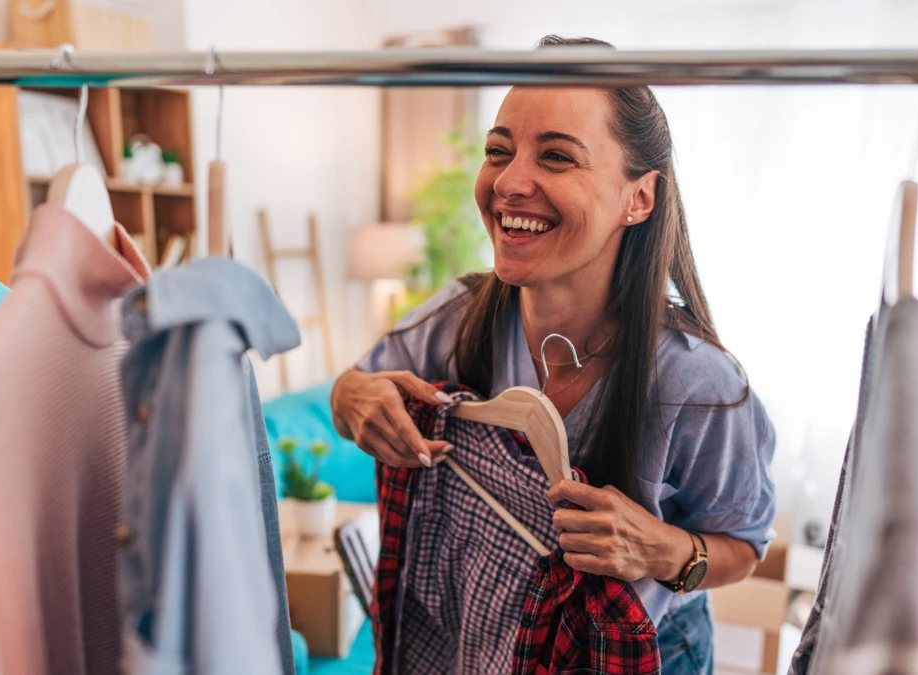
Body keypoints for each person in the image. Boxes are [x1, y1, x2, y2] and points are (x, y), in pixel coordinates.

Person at [331, 35, 776, 674]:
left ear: (639, 198)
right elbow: (354, 387)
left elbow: (744, 548)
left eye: (558, 157)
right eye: (498, 151)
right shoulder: (457, 319)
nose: (509, 183)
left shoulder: (698, 384)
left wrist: (661, 550)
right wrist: (351, 396)